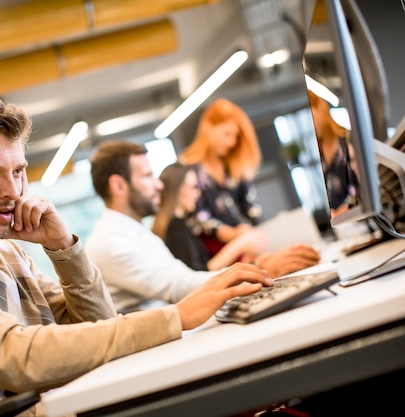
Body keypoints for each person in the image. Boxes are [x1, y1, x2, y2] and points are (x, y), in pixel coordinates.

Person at [0, 98, 275, 417]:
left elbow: (97, 326)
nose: (13, 191)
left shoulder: (1, 249)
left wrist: (64, 249)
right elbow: (16, 359)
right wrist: (175, 318)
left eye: (18, 171)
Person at [85, 140, 319, 314]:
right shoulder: (109, 241)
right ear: (118, 185)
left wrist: (252, 269)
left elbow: (184, 277)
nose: (158, 185)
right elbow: (177, 288)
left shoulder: (136, 232)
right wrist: (256, 269)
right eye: (147, 176)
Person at [178, 98, 263, 257]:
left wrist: (251, 231)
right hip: (209, 252)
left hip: (238, 246)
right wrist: (232, 234)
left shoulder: (233, 167)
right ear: (208, 127)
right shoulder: (187, 169)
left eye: (235, 136)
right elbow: (198, 217)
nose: (231, 142)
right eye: (226, 134)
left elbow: (252, 207)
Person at [152, 162, 268, 271]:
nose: (198, 193)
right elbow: (201, 272)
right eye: (193, 187)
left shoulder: (180, 224)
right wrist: (239, 244)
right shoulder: (175, 228)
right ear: (177, 189)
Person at [307, 90, 358, 217]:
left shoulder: (348, 140)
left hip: (359, 214)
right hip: (343, 222)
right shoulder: (319, 152)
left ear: (320, 110)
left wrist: (344, 210)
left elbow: (362, 185)